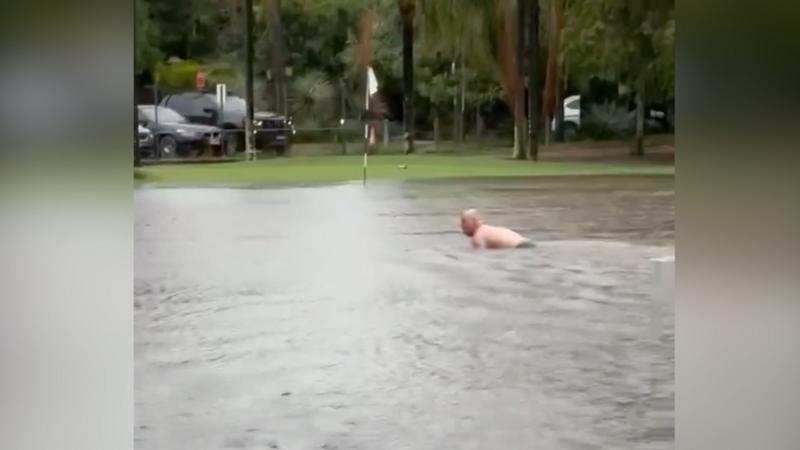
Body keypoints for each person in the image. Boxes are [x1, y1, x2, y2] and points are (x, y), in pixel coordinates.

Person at [460, 209, 535, 250]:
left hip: (522, 249)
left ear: (474, 221)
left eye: (464, 221)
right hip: (528, 243)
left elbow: (480, 259)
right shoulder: (489, 229)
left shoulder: (478, 237)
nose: (461, 225)